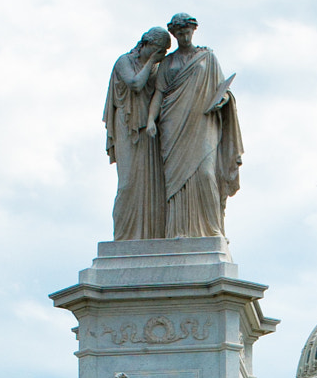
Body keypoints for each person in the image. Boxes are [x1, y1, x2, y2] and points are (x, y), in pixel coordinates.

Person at [148, 14, 242, 238]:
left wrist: (223, 100)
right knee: (175, 181)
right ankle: (178, 231)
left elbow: (223, 89)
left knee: (206, 173)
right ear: (174, 34)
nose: (184, 36)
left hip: (203, 121)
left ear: (194, 31)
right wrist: (150, 120)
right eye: (179, 33)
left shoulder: (207, 58)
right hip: (173, 123)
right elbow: (159, 93)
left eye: (187, 32)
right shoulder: (168, 63)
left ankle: (211, 230)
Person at [103, 28, 170, 239]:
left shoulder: (158, 68)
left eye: (163, 52)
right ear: (145, 44)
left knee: (151, 184)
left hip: (148, 130)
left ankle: (150, 236)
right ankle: (123, 237)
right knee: (128, 183)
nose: (160, 55)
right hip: (127, 125)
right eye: (157, 50)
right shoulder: (124, 61)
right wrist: (152, 62)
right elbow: (135, 84)